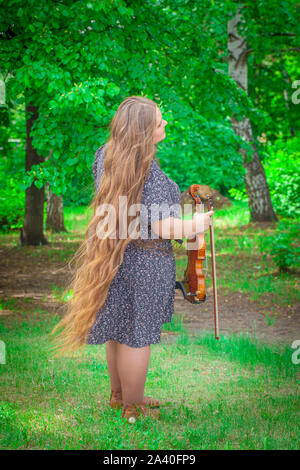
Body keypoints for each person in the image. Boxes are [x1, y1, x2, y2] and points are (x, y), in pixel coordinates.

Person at [50, 95, 213, 424]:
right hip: (147, 265)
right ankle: (133, 407)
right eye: (159, 122)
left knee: (119, 331)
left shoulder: (107, 154)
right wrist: (197, 224)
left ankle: (121, 396)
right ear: (142, 131)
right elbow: (162, 226)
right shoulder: (147, 171)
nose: (165, 124)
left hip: (117, 257)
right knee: (138, 336)